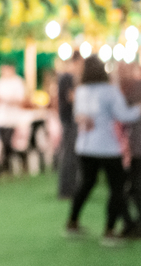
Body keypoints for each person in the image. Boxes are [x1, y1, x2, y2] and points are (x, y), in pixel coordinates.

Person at [66, 56, 141, 242]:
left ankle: (72, 222)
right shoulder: (110, 91)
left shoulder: (81, 91)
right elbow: (124, 115)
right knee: (116, 188)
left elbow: (78, 116)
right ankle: (109, 230)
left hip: (84, 146)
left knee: (86, 183)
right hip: (107, 147)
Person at [116, 64, 141, 239]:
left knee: (139, 189)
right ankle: (130, 224)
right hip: (124, 149)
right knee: (121, 190)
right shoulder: (116, 91)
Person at [0, 63, 27, 180]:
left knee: (9, 143)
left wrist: (6, 100)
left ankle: (20, 157)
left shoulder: (18, 82)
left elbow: (20, 100)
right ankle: (6, 167)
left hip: (13, 119)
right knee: (3, 143)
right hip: (0, 119)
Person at [56, 54, 83, 199]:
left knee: (71, 155)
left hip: (70, 120)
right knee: (70, 155)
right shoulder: (68, 78)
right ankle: (67, 189)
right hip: (70, 120)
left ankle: (70, 187)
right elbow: (71, 97)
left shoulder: (66, 77)